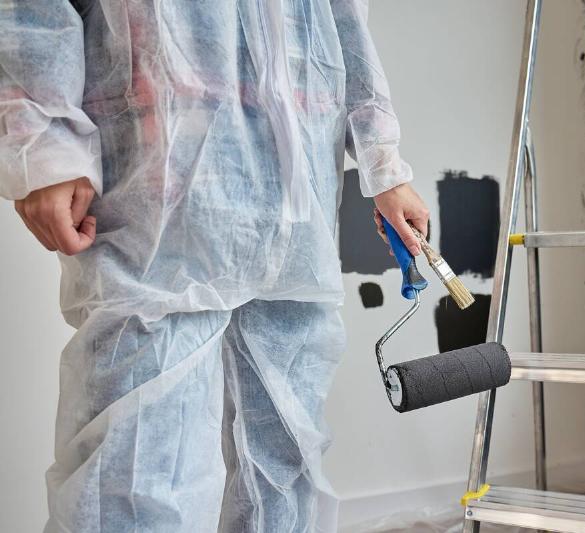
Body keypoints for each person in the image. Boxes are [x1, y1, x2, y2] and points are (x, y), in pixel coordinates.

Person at [0, 1, 429, 532]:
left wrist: (384, 163)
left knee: (286, 449)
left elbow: (340, 18)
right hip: (158, 182)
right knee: (134, 461)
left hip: (295, 195)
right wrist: (44, 145)